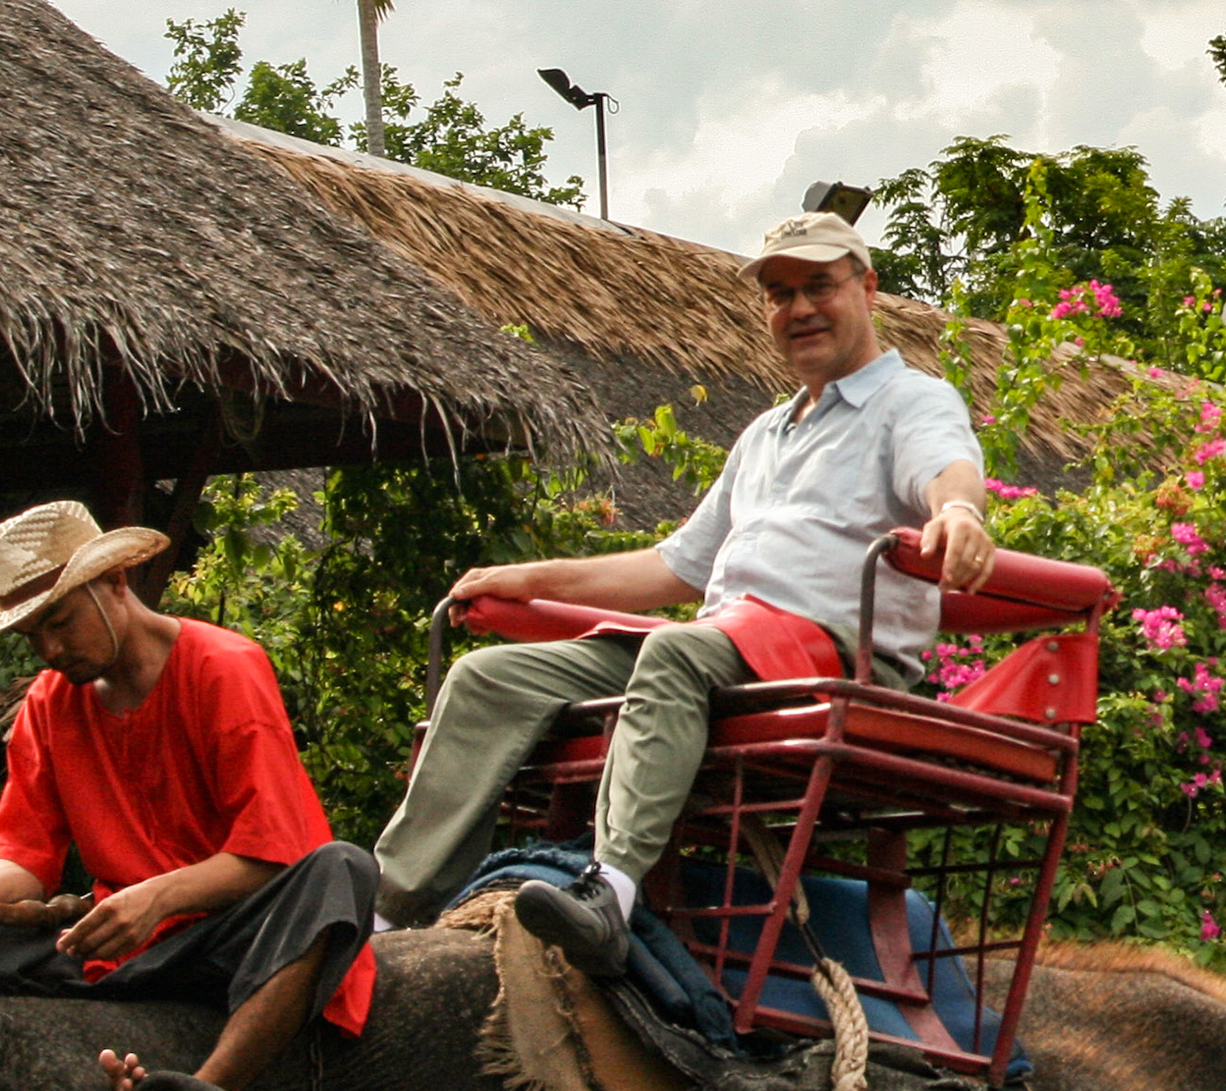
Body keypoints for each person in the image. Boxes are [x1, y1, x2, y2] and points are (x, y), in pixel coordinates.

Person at [372, 211, 998, 976]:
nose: (798, 308)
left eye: (819, 286)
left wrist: (960, 512)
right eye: (778, 294)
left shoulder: (913, 402)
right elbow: (675, 570)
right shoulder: (766, 434)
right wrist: (529, 579)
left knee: (675, 652)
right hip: (728, 646)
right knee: (490, 676)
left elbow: (947, 471)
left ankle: (611, 894)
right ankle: (392, 908)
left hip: (830, 654)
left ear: (867, 287)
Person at [0, 500, 377, 1091]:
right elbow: (25, 855)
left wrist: (158, 895)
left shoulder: (224, 667)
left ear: (114, 582)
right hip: (117, 944)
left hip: (223, 935)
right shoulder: (48, 703)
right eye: (32, 636)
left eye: (59, 623)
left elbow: (275, 854)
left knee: (341, 871)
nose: (49, 649)